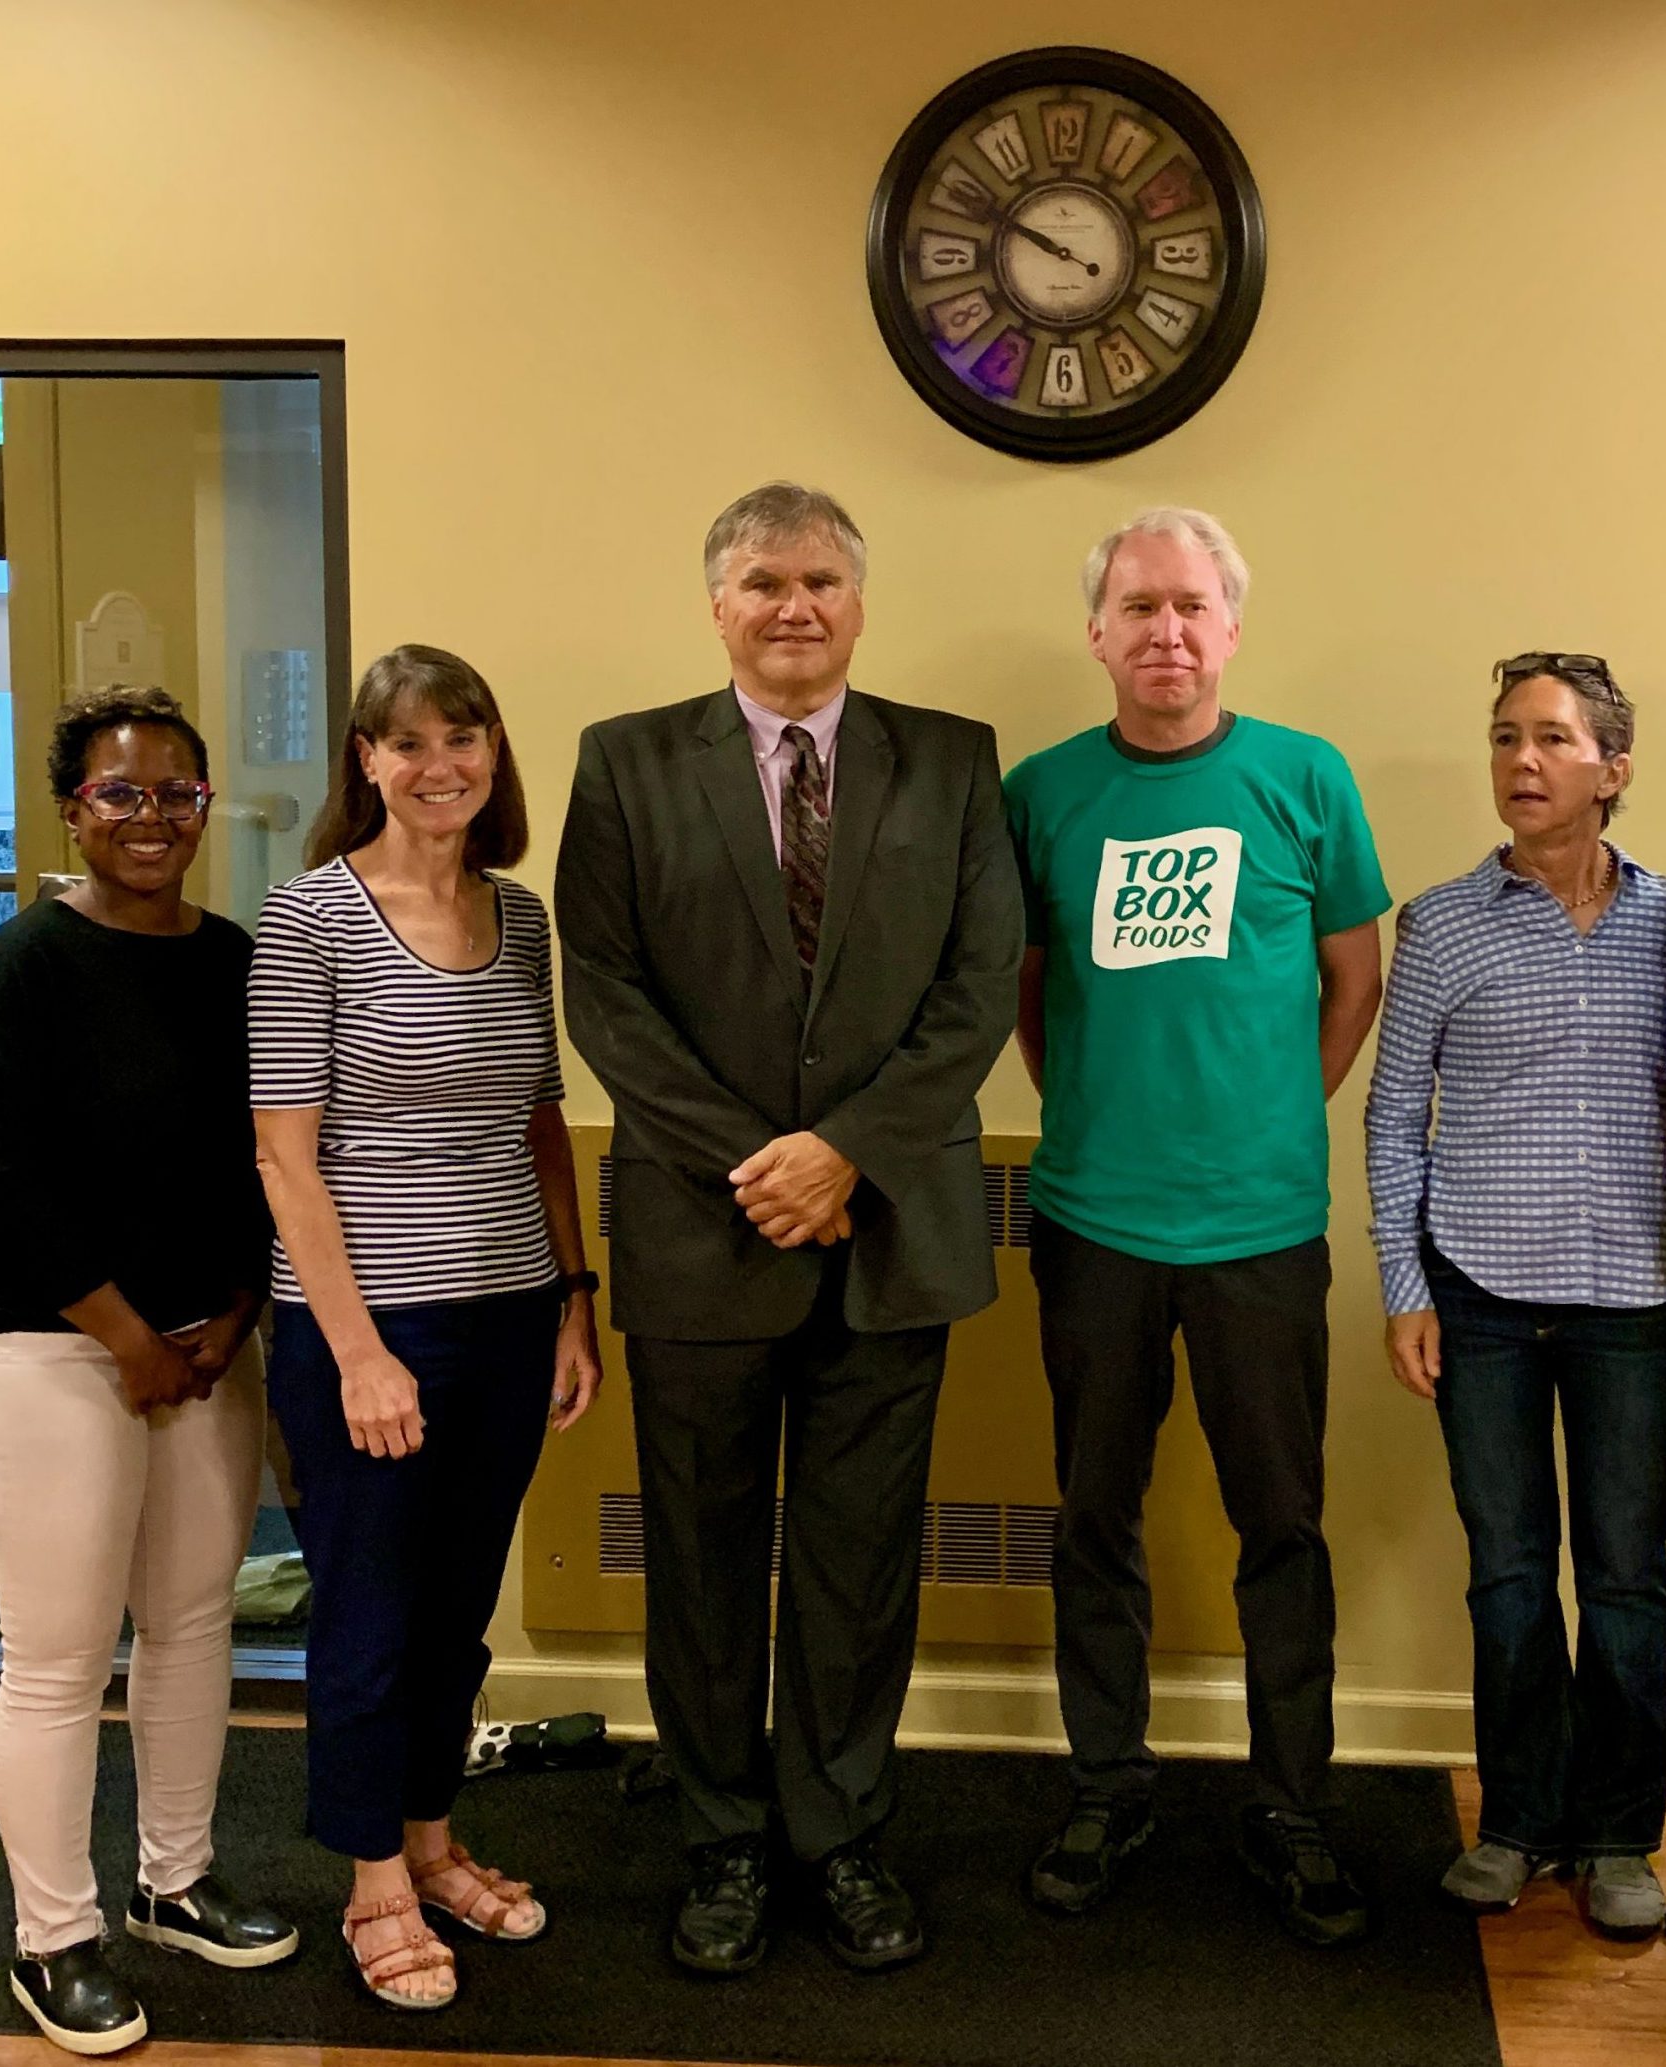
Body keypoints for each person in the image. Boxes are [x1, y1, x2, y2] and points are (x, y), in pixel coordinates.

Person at [555, 482, 1021, 1977]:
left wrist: (847, 1155)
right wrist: (760, 1162)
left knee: (857, 1559)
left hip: (890, 1236)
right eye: (762, 581)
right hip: (704, 1233)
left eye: (820, 579)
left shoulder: (950, 761)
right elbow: (605, 997)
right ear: (716, 603)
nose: (793, 605)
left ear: (860, 602)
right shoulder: (625, 763)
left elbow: (975, 981)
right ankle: (719, 1842)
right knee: (697, 1564)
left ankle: (836, 1833)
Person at [1005, 507, 1390, 1945]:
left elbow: (1353, 975)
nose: (1165, 630)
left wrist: (1273, 1115)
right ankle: (1107, 1781)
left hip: (1262, 1228)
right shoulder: (1039, 792)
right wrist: (1103, 1113)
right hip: (1092, 1221)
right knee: (1091, 1518)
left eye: (1190, 606)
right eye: (1137, 606)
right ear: (1096, 632)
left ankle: (1291, 1803)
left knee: (1279, 1525)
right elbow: (1027, 992)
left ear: (1229, 628)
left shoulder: (1304, 776)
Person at [251, 644, 601, 2011]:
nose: (439, 764)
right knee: (371, 1613)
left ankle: (435, 1836)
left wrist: (572, 1302)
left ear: (493, 754)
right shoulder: (310, 917)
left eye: (464, 737)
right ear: (366, 760)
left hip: (511, 1311)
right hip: (369, 1321)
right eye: (408, 743)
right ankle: (371, 1877)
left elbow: (539, 1123)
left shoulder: (521, 918)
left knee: (457, 1611)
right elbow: (284, 1155)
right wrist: (356, 1349)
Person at [0, 685, 297, 2055]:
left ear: (206, 809)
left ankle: (176, 1878)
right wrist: (125, 1335)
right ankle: (56, 1936)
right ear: (70, 808)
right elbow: (9, 1177)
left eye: (175, 794)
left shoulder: (237, 956)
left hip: (206, 1342)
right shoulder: (24, 962)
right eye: (121, 793)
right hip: (52, 1342)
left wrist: (231, 1312)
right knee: (56, 1657)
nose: (151, 817)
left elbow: (269, 1155)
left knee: (193, 1619)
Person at [1364, 653, 1666, 1940]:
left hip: (1631, 1302)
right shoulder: (1440, 924)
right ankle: (1514, 1822)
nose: (1521, 761)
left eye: (1553, 740)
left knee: (1624, 1577)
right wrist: (1406, 1286)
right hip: (1482, 1299)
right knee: (1506, 1573)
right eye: (1504, 737)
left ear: (1610, 770)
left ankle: (1617, 1835)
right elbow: (1396, 1121)